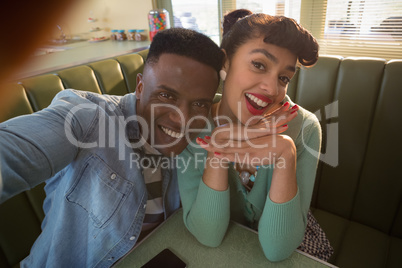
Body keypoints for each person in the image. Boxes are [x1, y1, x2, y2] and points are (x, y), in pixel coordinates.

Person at [0, 28, 224, 267]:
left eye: (199, 103)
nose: (182, 120)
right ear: (140, 86)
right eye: (167, 96)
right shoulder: (88, 119)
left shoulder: (204, 135)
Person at [177, 9, 327, 262]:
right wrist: (218, 151)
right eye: (259, 65)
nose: (271, 88)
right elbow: (208, 235)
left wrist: (285, 154)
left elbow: (277, 250)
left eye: (284, 77)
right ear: (225, 62)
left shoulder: (305, 129)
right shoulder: (193, 123)